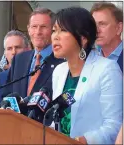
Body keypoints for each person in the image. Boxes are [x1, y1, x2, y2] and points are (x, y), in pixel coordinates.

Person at [52, 7, 122, 144]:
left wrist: (82, 141)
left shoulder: (107, 69)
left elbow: (114, 126)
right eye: (54, 30)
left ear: (83, 39)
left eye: (63, 30)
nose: (55, 36)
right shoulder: (58, 71)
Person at [2, 8, 64, 101]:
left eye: (43, 27)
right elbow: (7, 94)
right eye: (34, 27)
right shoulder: (19, 59)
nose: (38, 32)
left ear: (53, 30)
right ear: (28, 29)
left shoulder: (62, 61)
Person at [91, 2, 123, 71]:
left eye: (102, 24)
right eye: (93, 25)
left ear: (119, 28)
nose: (96, 30)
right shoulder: (90, 60)